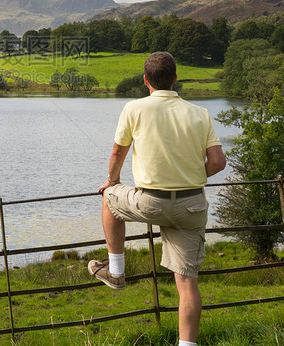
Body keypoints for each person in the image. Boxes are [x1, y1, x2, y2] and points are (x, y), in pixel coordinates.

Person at [89, 51, 226, 346]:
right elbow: (217, 162)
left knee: (109, 197)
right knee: (187, 284)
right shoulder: (199, 113)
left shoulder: (134, 108)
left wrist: (112, 181)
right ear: (175, 79)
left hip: (151, 203)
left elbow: (117, 153)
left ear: (145, 81)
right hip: (191, 206)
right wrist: (192, 177)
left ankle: (115, 272)